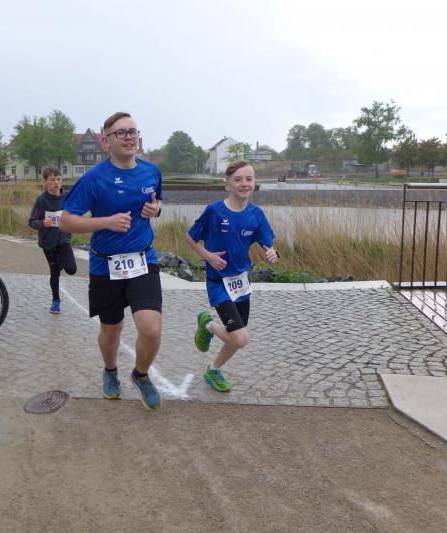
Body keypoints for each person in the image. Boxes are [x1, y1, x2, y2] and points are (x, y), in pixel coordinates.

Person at [60, 111, 164, 410]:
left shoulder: (151, 171)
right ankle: (110, 371)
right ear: (106, 141)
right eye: (121, 133)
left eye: (133, 131)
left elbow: (157, 201)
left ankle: (141, 374)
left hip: (143, 260)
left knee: (151, 329)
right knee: (111, 328)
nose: (129, 137)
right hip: (105, 264)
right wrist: (105, 222)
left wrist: (156, 210)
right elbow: (65, 221)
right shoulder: (94, 178)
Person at [186, 160, 278, 392]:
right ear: (227, 184)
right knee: (240, 338)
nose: (244, 183)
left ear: (254, 183)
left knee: (235, 334)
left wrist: (271, 252)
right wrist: (207, 256)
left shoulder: (256, 214)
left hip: (242, 284)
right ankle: (208, 325)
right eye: (238, 180)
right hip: (219, 284)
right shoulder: (215, 211)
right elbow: (190, 238)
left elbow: (268, 244)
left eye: (249, 179)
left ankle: (213, 370)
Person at [29, 166, 77, 313]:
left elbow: (75, 213)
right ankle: (56, 300)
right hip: (48, 242)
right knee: (54, 272)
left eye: (58, 179)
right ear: (45, 182)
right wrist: (43, 223)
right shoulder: (41, 200)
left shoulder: (67, 197)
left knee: (72, 269)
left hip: (64, 239)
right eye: (52, 179)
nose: (56, 182)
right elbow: (32, 222)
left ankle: (60, 264)